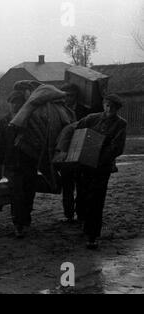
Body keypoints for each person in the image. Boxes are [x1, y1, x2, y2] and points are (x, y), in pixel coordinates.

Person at [55, 94, 127, 249]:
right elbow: (71, 129)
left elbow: (117, 147)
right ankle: (83, 224)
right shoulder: (91, 118)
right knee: (83, 196)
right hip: (83, 166)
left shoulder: (120, 124)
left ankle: (92, 235)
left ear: (117, 109)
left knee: (96, 200)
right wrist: (64, 150)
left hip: (102, 168)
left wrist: (98, 159)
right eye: (107, 105)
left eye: (113, 107)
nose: (109, 109)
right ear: (103, 105)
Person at [4, 81, 41, 238]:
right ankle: (18, 224)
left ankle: (25, 218)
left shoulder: (31, 119)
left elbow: (39, 138)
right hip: (12, 165)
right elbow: (1, 146)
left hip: (29, 162)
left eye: (18, 102)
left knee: (28, 193)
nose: (14, 106)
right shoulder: (4, 121)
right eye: (12, 103)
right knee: (16, 195)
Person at [59, 84, 83, 223]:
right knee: (67, 186)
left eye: (71, 95)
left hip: (80, 153)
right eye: (66, 95)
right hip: (65, 153)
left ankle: (80, 213)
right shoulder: (59, 111)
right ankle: (68, 214)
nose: (68, 98)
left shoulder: (83, 111)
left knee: (81, 185)